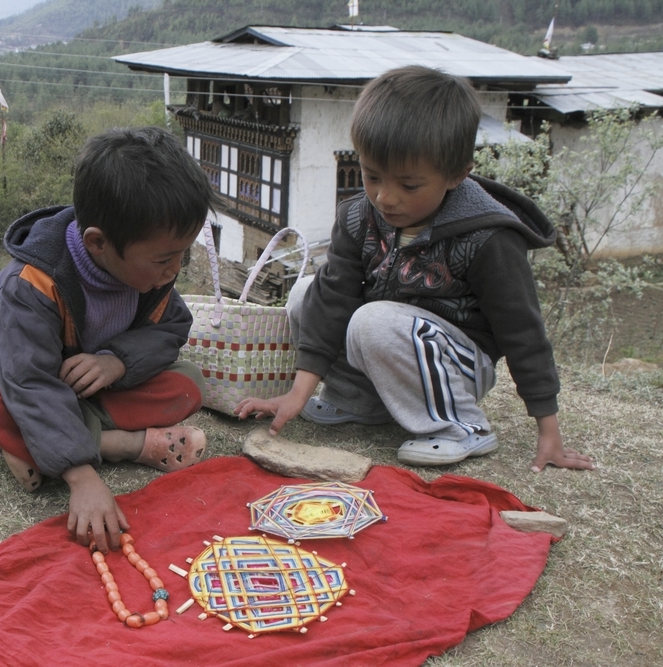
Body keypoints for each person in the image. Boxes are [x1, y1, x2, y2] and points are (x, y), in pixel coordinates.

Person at [235, 66, 594, 474]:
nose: (384, 197)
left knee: (373, 320)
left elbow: (523, 331)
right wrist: (297, 394)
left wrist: (549, 431)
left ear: (457, 174)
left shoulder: (488, 238)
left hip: (456, 362)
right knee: (307, 293)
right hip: (390, 342)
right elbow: (333, 298)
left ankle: (461, 425)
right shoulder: (358, 217)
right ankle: (356, 402)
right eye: (372, 176)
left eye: (408, 185)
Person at [0, 126, 215, 553]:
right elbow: (29, 382)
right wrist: (81, 477)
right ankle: (124, 445)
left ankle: (38, 445)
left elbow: (170, 330)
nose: (175, 269)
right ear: (98, 243)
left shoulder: (151, 272)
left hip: (98, 389)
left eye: (182, 254)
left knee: (188, 383)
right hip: (25, 385)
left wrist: (117, 361)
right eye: (166, 259)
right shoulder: (29, 283)